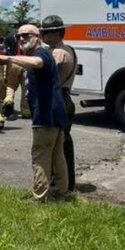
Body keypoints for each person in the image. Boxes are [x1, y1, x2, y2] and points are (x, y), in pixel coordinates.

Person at [0, 24, 69, 201]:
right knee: (57, 154)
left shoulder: (40, 53)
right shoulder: (39, 53)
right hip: (55, 113)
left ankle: (40, 196)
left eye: (26, 35)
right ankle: (60, 191)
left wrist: (8, 58)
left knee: (40, 155)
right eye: (19, 36)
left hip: (46, 113)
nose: (21, 39)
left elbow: (37, 63)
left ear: (37, 36)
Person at [41, 15, 77, 192]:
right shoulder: (68, 48)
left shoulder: (58, 52)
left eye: (46, 32)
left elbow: (44, 70)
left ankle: (62, 183)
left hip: (59, 98)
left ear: (57, 34)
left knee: (57, 145)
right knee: (63, 143)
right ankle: (67, 183)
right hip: (64, 97)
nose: (42, 35)